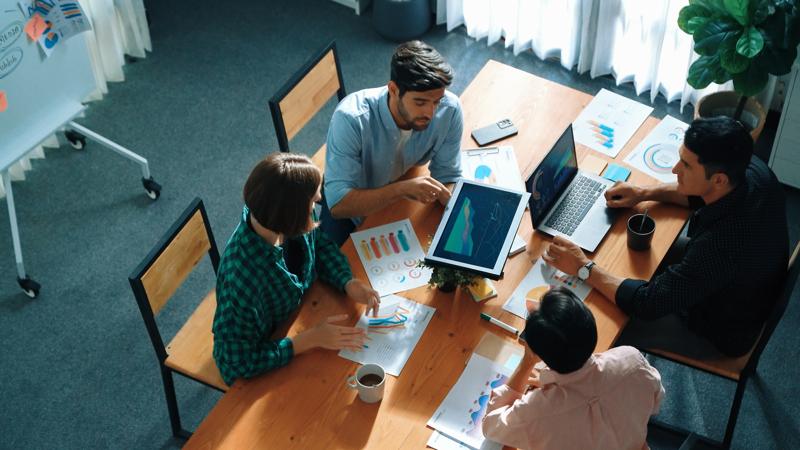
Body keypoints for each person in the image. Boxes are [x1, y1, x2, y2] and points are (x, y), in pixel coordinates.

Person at [542, 116, 789, 358]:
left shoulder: (723, 244)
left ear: (719, 179)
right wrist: (644, 193)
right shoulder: (749, 169)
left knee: (592, 330)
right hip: (736, 281)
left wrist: (582, 267)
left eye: (687, 166)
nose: (674, 169)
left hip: (719, 329)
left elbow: (647, 304)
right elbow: (698, 194)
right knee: (625, 259)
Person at [212, 152, 380, 386]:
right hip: (269, 350)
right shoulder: (241, 278)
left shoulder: (287, 215)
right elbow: (237, 362)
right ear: (290, 215)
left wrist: (348, 282)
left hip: (300, 313)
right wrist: (307, 340)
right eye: (313, 202)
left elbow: (319, 244)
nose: (317, 204)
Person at [482, 287, 664, 450]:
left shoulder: (538, 412)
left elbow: (491, 427)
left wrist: (527, 363)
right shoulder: (632, 360)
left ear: (538, 353)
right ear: (591, 325)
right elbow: (656, 403)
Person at [321, 40, 463, 245]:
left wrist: (451, 207)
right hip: (351, 202)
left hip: (399, 193)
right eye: (420, 102)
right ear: (394, 90)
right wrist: (402, 190)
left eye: (436, 101)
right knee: (331, 271)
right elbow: (338, 204)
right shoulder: (351, 119)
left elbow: (448, 175)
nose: (431, 113)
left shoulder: (450, 109)